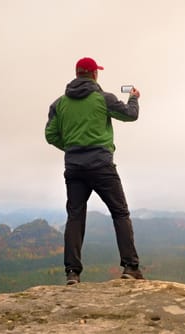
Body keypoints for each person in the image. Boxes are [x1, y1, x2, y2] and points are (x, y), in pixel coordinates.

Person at [45, 57, 144, 285]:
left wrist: (72, 147)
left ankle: (72, 273)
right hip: (101, 166)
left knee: (75, 216)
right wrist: (134, 98)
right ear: (94, 74)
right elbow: (130, 114)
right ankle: (130, 267)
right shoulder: (103, 98)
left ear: (77, 74)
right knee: (120, 213)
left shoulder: (59, 104)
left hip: (74, 168)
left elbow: (50, 135)